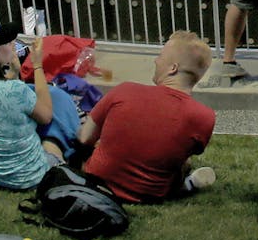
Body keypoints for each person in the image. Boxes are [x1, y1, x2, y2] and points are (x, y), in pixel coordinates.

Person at [78, 31, 217, 202]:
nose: (156, 61)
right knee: (184, 163)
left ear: (173, 68)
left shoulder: (124, 91)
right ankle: (187, 185)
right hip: (151, 195)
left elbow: (85, 138)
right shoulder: (205, 117)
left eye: (160, 56)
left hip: (98, 181)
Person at [0, 19, 77, 190]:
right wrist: (38, 65)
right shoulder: (14, 90)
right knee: (54, 130)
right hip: (30, 176)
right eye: (6, 42)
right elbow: (46, 115)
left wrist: (14, 73)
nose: (12, 44)